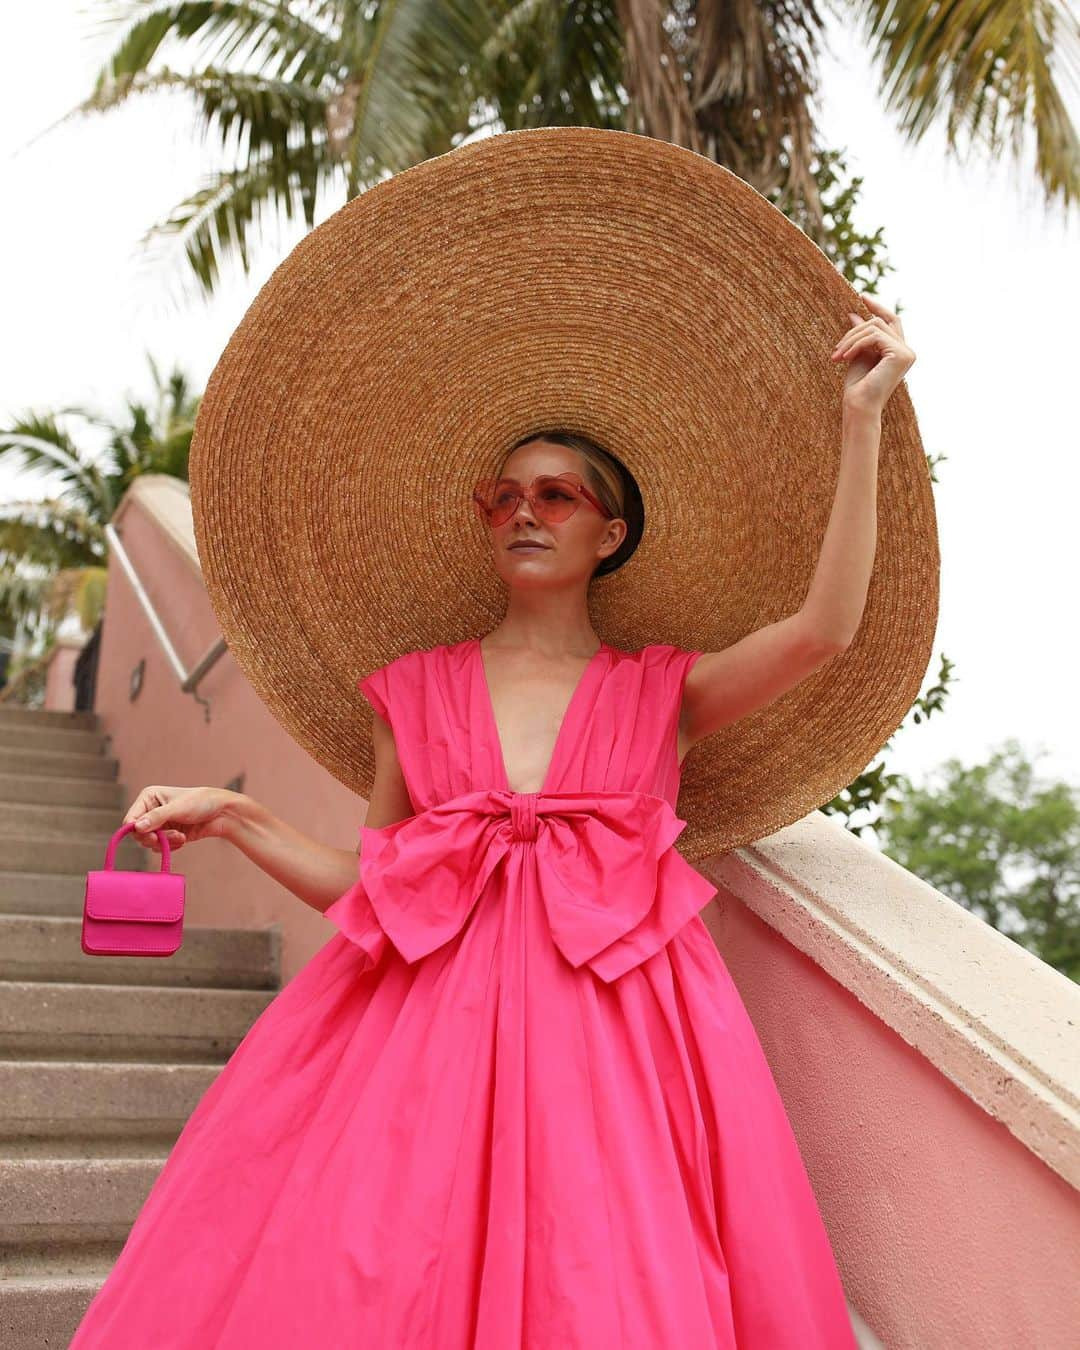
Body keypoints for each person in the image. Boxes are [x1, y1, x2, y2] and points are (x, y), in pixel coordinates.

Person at [69, 296, 913, 1347]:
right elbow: (376, 894)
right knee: (368, 1280)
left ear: (609, 534)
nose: (523, 511)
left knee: (606, 1291)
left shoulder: (664, 692)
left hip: (618, 1043)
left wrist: (865, 416)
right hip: (424, 1050)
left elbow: (826, 630)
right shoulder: (409, 693)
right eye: (503, 494)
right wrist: (235, 815)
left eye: (555, 496)